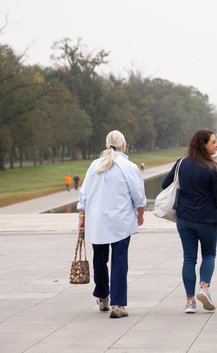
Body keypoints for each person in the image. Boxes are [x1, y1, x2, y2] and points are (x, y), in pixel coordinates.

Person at [161, 129, 217, 314]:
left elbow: (165, 184)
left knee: (189, 258)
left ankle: (189, 301)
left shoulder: (181, 163)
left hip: (184, 218)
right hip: (206, 219)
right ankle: (204, 288)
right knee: (209, 254)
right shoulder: (212, 167)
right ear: (203, 144)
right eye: (213, 142)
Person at [77, 130, 146, 319]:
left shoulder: (94, 165)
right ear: (124, 146)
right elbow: (138, 196)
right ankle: (118, 303)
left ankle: (102, 296)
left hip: (97, 221)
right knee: (119, 262)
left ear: (107, 146)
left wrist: (81, 216)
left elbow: (84, 194)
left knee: (99, 261)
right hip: (120, 222)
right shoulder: (129, 166)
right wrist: (140, 214)